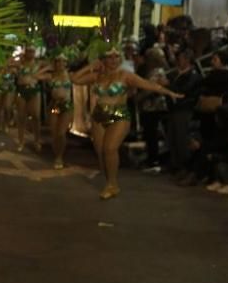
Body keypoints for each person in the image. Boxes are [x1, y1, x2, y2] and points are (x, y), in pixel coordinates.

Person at [72, 47, 182, 199]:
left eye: (117, 57)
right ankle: (110, 181)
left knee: (110, 148)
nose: (114, 60)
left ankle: (112, 184)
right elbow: (75, 79)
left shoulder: (125, 75)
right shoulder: (97, 76)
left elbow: (148, 85)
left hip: (119, 114)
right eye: (110, 57)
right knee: (101, 153)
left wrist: (169, 92)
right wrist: (90, 67)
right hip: (99, 115)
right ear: (103, 60)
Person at [166, 49, 202, 181]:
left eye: (180, 58)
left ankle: (186, 167)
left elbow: (183, 91)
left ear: (187, 60)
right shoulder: (177, 75)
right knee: (173, 138)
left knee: (182, 139)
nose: (178, 61)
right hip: (174, 109)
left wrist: (168, 87)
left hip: (184, 110)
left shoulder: (193, 75)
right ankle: (178, 166)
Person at [14, 42, 50, 152]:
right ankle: (21, 141)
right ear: (25, 52)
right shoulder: (20, 63)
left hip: (34, 90)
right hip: (22, 90)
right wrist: (16, 57)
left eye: (32, 51)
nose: (31, 53)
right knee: (21, 117)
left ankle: (37, 140)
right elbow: (7, 64)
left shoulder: (39, 64)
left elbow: (52, 65)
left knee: (36, 116)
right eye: (28, 51)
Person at [47, 52, 74, 169]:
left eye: (64, 61)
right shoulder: (51, 76)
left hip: (67, 106)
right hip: (55, 106)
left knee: (61, 133)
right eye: (58, 61)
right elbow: (36, 75)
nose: (61, 63)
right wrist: (48, 68)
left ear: (66, 63)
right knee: (54, 133)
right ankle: (56, 155)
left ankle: (59, 157)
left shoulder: (70, 75)